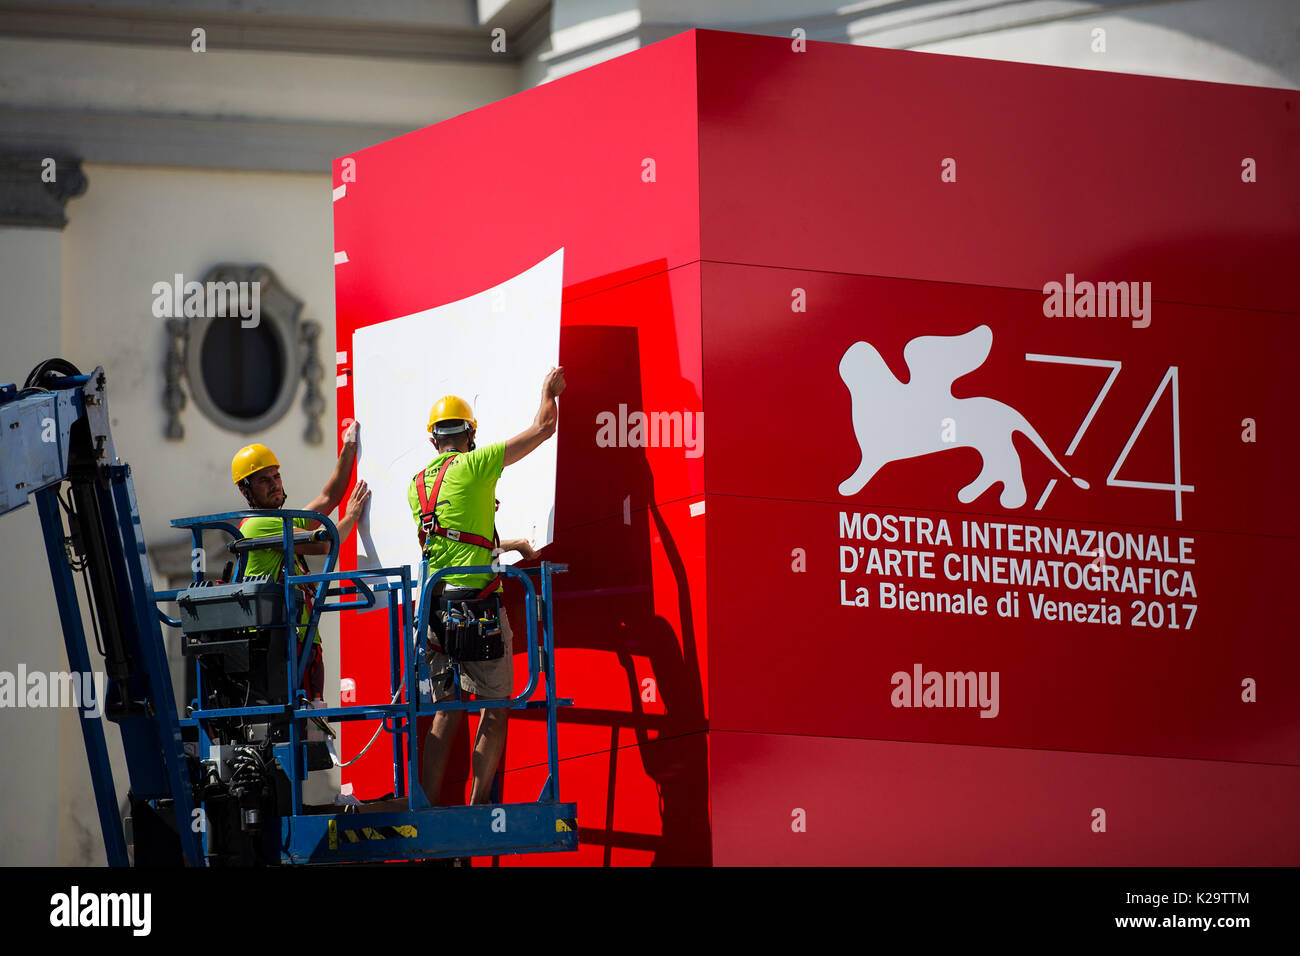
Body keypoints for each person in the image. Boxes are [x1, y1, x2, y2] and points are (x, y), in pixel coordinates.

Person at [410, 368, 565, 806]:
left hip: (435, 614)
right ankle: (478, 809)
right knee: (495, 708)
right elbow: (544, 428)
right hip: (478, 611)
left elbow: (445, 546)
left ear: (432, 440)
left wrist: (504, 544)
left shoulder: (416, 486)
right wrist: (548, 393)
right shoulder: (476, 465)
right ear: (470, 434)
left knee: (446, 712)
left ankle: (427, 804)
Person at [230, 422, 369, 703]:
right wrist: (351, 516)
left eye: (276, 476)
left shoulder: (280, 521)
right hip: (281, 645)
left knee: (312, 719)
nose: (274, 484)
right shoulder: (257, 526)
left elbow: (328, 498)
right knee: (303, 722)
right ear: (246, 491)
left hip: (301, 640)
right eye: (263, 480)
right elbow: (325, 543)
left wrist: (348, 449)